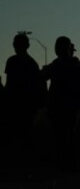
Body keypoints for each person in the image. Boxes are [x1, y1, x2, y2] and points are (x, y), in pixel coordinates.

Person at [41, 36, 80, 170]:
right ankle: (69, 164)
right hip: (69, 106)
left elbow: (41, 77)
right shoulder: (73, 64)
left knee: (61, 136)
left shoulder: (55, 65)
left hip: (58, 106)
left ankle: (63, 163)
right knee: (68, 135)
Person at [4, 32, 47, 165]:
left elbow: (9, 84)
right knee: (25, 132)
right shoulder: (31, 63)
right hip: (26, 104)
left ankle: (20, 161)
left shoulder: (13, 61)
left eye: (16, 43)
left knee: (17, 133)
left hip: (18, 103)